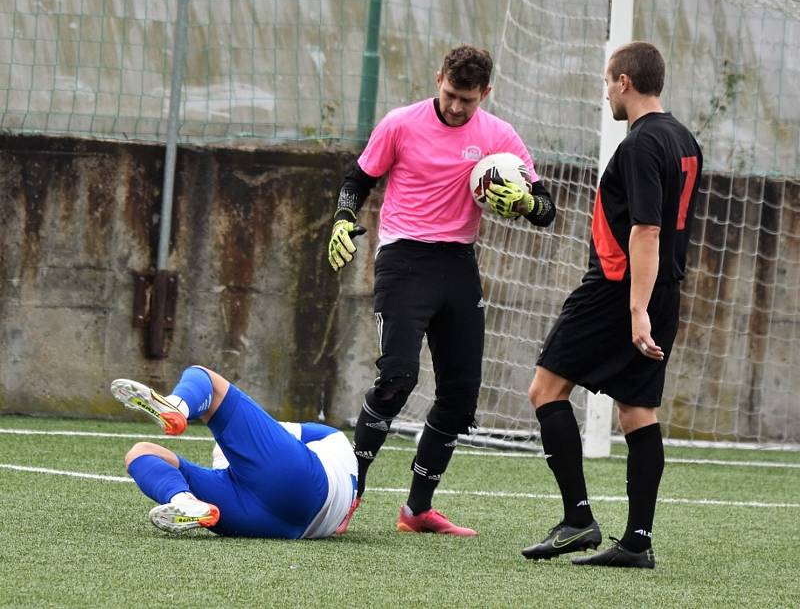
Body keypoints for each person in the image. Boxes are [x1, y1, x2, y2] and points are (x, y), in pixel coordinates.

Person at [327, 44, 556, 536]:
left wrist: (524, 204)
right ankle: (346, 495)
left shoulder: (499, 138)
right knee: (397, 379)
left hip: (458, 264)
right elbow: (357, 180)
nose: (456, 107)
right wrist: (344, 216)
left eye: (467, 100)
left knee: (460, 395)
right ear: (438, 80)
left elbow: (546, 207)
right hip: (403, 260)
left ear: (485, 94)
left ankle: (417, 510)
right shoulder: (400, 124)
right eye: (451, 94)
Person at [521, 41, 703, 568]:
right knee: (636, 409)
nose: (605, 93)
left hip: (619, 289)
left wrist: (635, 308)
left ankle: (578, 520)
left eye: (607, 82)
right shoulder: (684, 138)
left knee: (545, 389)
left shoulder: (642, 143)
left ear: (625, 81)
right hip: (665, 287)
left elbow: (646, 228)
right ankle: (637, 542)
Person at [110, 366, 357, 538]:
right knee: (139, 453)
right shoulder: (329, 440)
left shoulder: (321, 435)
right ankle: (184, 502)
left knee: (204, 377)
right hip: (288, 522)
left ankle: (177, 406)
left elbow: (264, 433)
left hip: (285, 498)